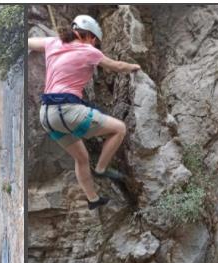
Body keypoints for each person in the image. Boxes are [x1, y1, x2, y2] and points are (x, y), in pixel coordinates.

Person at [28, 15, 141, 210]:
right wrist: (135, 67)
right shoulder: (89, 51)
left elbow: (29, 42)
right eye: (95, 40)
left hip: (46, 116)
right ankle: (101, 169)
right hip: (66, 110)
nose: (95, 44)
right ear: (89, 36)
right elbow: (116, 66)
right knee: (119, 129)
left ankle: (93, 199)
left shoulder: (53, 43)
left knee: (81, 157)